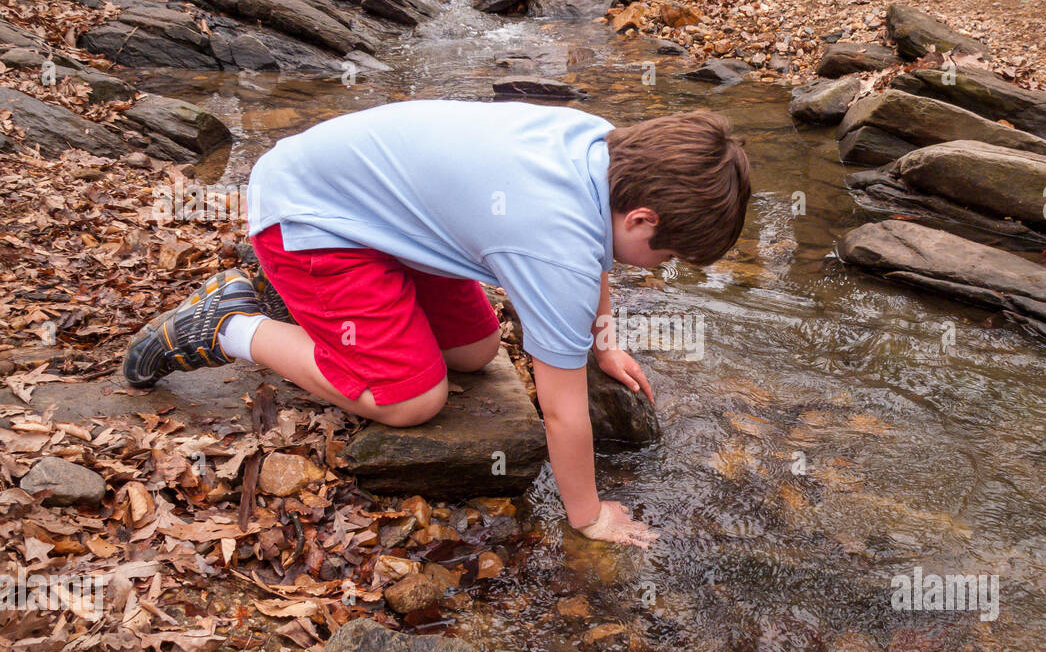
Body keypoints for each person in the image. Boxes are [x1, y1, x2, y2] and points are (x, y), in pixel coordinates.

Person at [123, 101, 751, 547]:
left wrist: (604, 343)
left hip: (377, 214)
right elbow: (562, 412)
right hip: (307, 217)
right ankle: (228, 323)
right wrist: (588, 517)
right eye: (665, 255)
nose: (660, 267)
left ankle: (300, 296)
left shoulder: (604, 150)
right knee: (414, 399)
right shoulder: (550, 239)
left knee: (477, 351)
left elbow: (595, 252)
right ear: (641, 219)